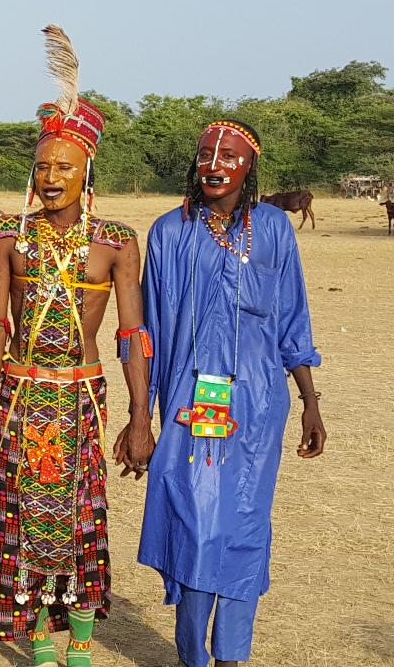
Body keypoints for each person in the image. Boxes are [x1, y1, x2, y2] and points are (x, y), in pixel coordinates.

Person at [0, 26, 149, 667]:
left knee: (80, 516)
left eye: (65, 167)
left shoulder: (116, 242)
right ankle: (40, 639)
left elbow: (132, 334)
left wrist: (140, 416)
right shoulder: (9, 236)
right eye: (43, 167)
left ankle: (79, 641)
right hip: (21, 396)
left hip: (81, 398)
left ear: (87, 172)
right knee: (23, 516)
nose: (51, 178)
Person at [132, 119, 326, 667]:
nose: (215, 166)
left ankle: (231, 656)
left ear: (250, 166)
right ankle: (192, 654)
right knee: (194, 524)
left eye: (229, 156)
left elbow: (292, 318)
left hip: (258, 404)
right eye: (205, 155)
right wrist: (141, 417)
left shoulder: (274, 229)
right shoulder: (170, 232)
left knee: (244, 523)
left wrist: (311, 403)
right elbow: (146, 332)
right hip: (187, 402)